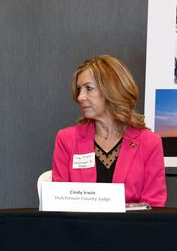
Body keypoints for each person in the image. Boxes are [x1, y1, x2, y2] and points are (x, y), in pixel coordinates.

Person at [52, 55, 166, 207]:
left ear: (112, 89)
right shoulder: (66, 139)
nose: (80, 97)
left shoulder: (149, 143)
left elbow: (154, 206)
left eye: (89, 88)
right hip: (79, 229)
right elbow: (57, 202)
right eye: (79, 90)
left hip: (130, 229)